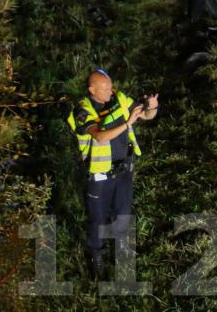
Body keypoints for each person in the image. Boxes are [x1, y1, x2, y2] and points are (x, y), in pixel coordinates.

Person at [67, 70, 158, 277]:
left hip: (124, 170)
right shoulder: (82, 110)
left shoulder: (119, 98)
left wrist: (152, 107)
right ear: (92, 90)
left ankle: (122, 254)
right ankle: (96, 258)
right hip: (100, 176)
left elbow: (145, 115)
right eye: (105, 88)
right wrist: (127, 123)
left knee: (123, 214)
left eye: (111, 86)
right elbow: (99, 136)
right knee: (97, 221)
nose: (110, 91)